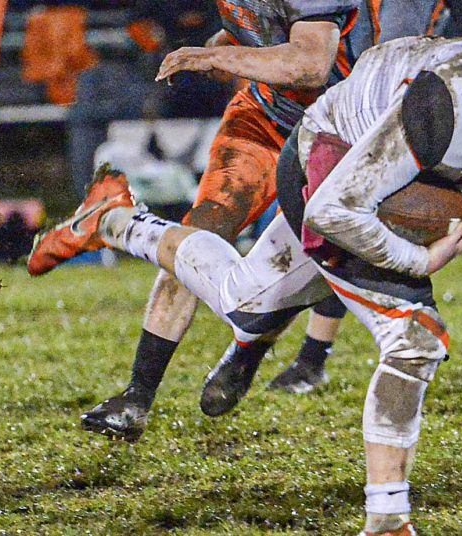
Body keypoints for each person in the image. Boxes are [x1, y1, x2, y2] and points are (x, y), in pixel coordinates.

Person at [28, 1, 462, 532]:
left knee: (246, 300)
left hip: (377, 165)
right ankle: (387, 517)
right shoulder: (458, 100)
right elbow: (335, 208)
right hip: (331, 156)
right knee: (413, 338)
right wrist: (418, 259)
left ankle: (117, 219)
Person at [30, 0, 362, 442]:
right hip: (264, 119)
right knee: (197, 235)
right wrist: (224, 46)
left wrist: (213, 56)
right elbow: (263, 31)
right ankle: (137, 397)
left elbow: (310, 64)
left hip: (338, 134)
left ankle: (256, 352)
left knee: (311, 260)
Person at [269, 0, 451, 394]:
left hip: (391, 104)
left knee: (350, 228)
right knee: (333, 235)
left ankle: (316, 356)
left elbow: (398, 46)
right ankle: (301, 355)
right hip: (352, 100)